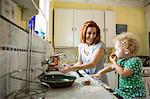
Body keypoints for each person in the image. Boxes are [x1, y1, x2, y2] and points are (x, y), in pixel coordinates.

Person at [92, 32, 146, 99]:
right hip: (124, 92)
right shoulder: (122, 60)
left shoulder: (135, 61)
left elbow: (123, 74)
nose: (115, 52)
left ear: (126, 51)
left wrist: (114, 62)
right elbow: (111, 67)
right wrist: (99, 73)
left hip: (135, 94)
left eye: (117, 49)